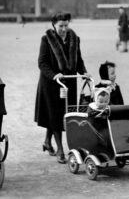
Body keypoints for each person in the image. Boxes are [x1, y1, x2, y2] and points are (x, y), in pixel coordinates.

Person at [34, 12, 90, 164]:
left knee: (64, 114)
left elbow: (79, 60)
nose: (64, 29)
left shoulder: (75, 39)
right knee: (56, 115)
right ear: (53, 25)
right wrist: (54, 75)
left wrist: (84, 72)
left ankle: (47, 141)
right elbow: (42, 63)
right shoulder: (46, 40)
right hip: (52, 84)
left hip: (70, 83)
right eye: (61, 26)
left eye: (66, 25)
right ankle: (60, 149)